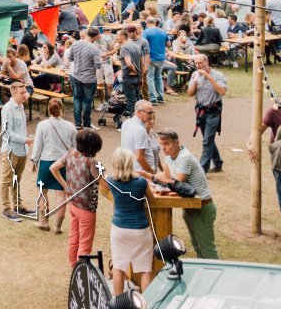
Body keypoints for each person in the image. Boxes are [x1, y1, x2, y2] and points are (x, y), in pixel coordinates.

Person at [154, 127, 219, 259]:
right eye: (161, 144)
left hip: (202, 208)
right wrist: (148, 177)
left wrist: (157, 178)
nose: (163, 148)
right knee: (197, 246)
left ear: (177, 143)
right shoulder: (169, 157)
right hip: (190, 206)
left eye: (166, 144)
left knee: (208, 250)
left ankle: (216, 272)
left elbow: (177, 183)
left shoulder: (184, 157)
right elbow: (165, 175)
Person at [49, 127, 103, 266]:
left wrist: (65, 186)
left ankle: (73, 264)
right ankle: (81, 271)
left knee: (74, 237)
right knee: (85, 243)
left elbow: (53, 168)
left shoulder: (70, 153)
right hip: (86, 208)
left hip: (72, 203)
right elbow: (105, 184)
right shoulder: (91, 162)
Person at [106, 148, 153, 296]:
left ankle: (118, 301)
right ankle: (146, 303)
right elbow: (151, 200)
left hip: (119, 229)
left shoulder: (111, 181)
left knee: (118, 267)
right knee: (145, 270)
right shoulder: (141, 182)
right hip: (140, 229)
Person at [32, 98, 76, 233]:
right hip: (63, 163)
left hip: (46, 162)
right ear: (62, 109)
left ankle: (43, 221)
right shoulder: (70, 126)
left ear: (48, 110)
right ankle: (58, 226)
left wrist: (34, 160)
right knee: (61, 194)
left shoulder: (42, 125)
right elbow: (74, 147)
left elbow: (38, 145)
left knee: (42, 191)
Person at [187, 54, 228, 172]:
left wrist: (208, 77)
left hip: (214, 111)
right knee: (208, 139)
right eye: (196, 63)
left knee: (207, 141)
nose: (198, 65)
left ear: (207, 62)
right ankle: (218, 163)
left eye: (200, 63)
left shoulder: (218, 75)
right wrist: (195, 81)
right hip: (201, 111)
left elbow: (222, 91)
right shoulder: (195, 75)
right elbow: (190, 94)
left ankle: (202, 169)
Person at [0, 82, 33, 222]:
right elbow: (8, 132)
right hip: (11, 150)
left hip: (22, 150)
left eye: (25, 92)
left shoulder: (21, 106)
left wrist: (26, 141)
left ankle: (18, 206)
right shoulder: (7, 109)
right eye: (22, 93)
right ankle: (6, 209)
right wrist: (26, 140)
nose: (25, 95)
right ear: (13, 93)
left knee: (17, 179)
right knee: (7, 180)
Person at [67, 28, 103, 129]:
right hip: (89, 78)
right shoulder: (95, 49)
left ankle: (78, 123)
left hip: (76, 75)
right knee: (87, 101)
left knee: (77, 99)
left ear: (86, 34)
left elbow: (70, 58)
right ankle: (86, 123)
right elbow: (98, 65)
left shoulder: (75, 44)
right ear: (95, 37)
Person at [120, 100, 159, 174]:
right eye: (149, 113)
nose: (151, 115)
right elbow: (140, 158)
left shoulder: (126, 123)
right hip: (141, 172)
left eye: (152, 112)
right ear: (138, 112)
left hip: (129, 168)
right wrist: (151, 173)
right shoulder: (140, 130)